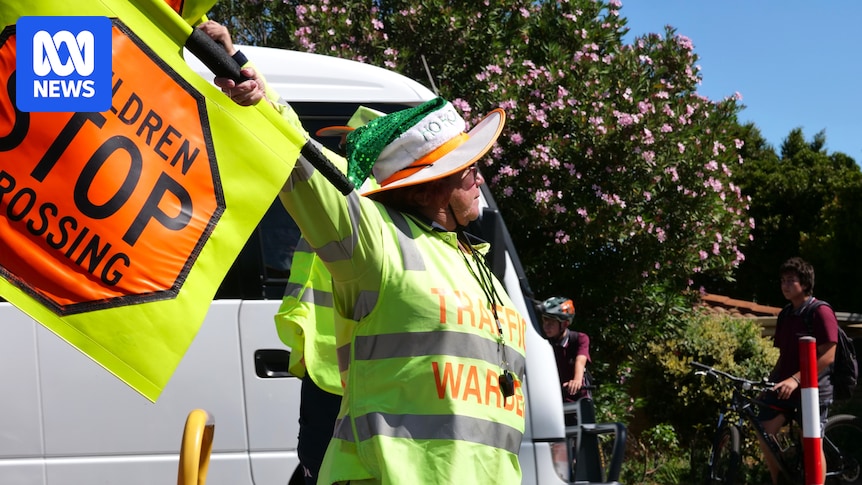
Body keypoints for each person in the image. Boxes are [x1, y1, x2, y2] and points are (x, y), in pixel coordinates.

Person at [216, 61, 528, 482]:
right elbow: (302, 165)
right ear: (433, 182)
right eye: (469, 168)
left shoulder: (476, 265)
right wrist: (256, 90)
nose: (479, 178)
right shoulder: (378, 241)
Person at [274, 107, 384, 485]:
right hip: (327, 367)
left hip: (347, 372)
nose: (341, 149)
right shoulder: (343, 196)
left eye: (351, 142)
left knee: (327, 469)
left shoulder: (363, 202)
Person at [757, 256, 838, 485]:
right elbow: (784, 358)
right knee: (764, 430)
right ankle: (780, 480)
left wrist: (795, 379)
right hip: (787, 389)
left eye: (790, 280)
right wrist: (770, 384)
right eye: (782, 280)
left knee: (810, 442)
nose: (784, 285)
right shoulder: (785, 315)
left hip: (814, 391)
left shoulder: (820, 311)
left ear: (804, 283)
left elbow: (828, 355)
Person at [538, 296, 592, 402]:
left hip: (578, 401)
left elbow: (580, 361)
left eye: (551, 322)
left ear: (565, 324)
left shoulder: (579, 339)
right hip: (553, 401)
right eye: (544, 320)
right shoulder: (543, 342)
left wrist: (576, 381)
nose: (546, 326)